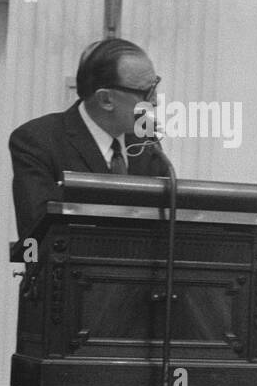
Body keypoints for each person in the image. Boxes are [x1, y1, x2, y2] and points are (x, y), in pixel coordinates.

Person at [9, 38, 170, 238]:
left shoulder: (146, 142)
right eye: (146, 92)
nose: (154, 101)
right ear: (106, 99)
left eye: (155, 86)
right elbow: (33, 234)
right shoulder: (38, 141)